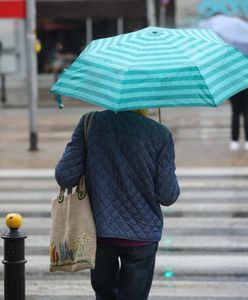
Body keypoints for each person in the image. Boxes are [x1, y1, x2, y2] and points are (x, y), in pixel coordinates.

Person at [55, 109, 180, 300]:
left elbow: (64, 176)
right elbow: (167, 196)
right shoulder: (160, 134)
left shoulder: (91, 123)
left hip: (100, 233)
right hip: (142, 237)